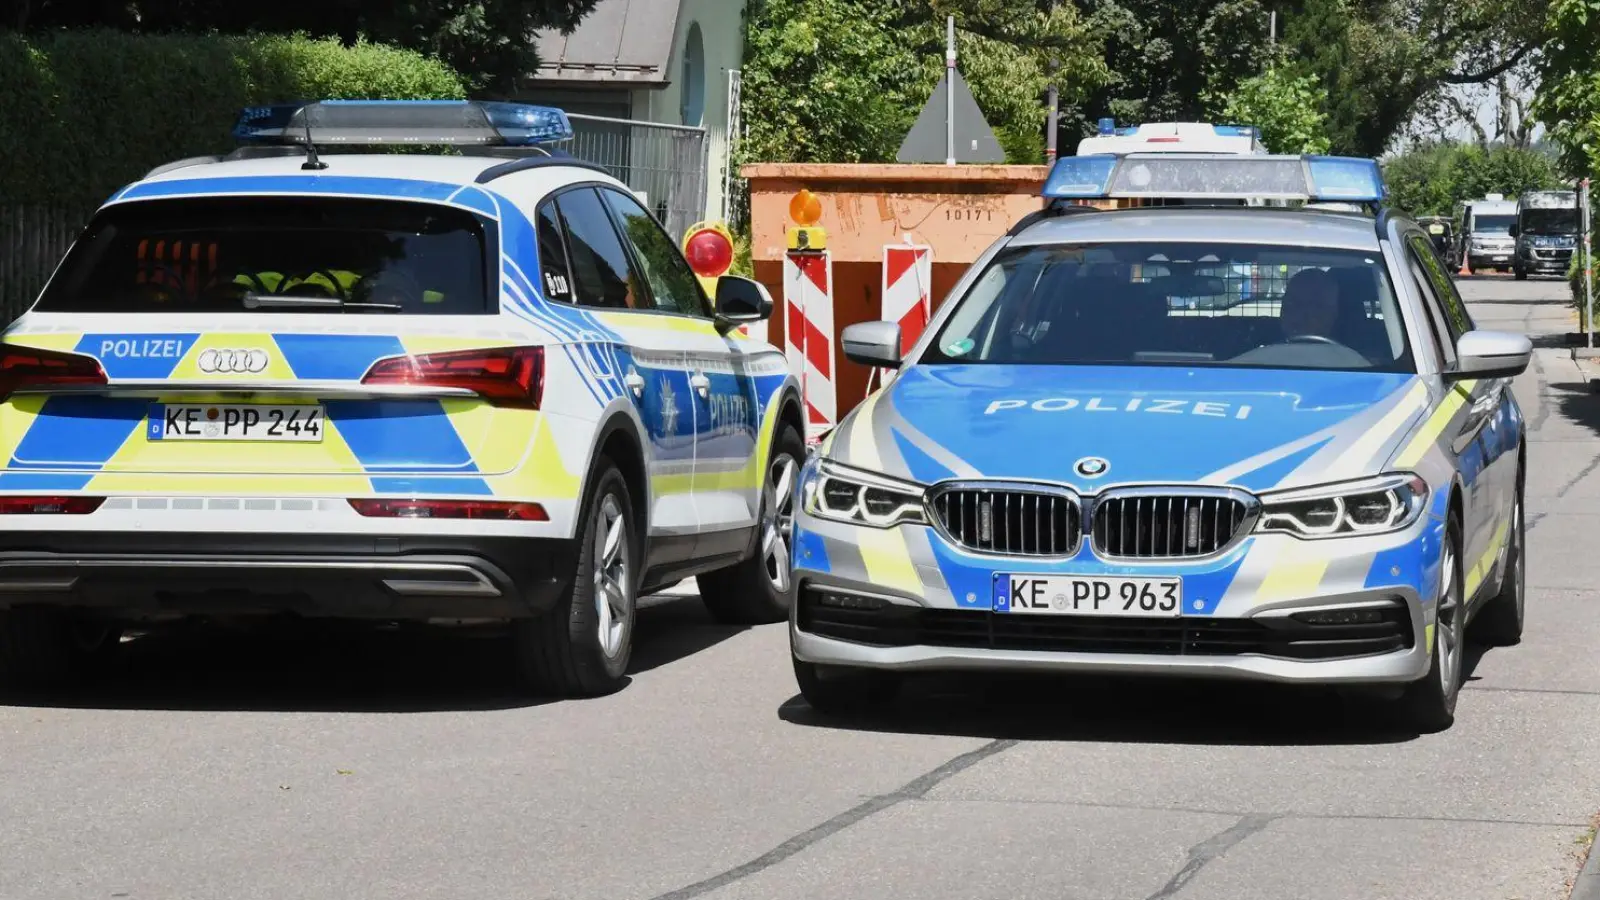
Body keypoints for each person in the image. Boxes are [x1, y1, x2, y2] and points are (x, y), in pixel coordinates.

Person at [1278, 267, 1342, 341]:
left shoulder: (1349, 349)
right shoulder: (1264, 340)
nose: (1302, 314)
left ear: (1334, 313)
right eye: (1292, 304)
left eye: (1317, 307)